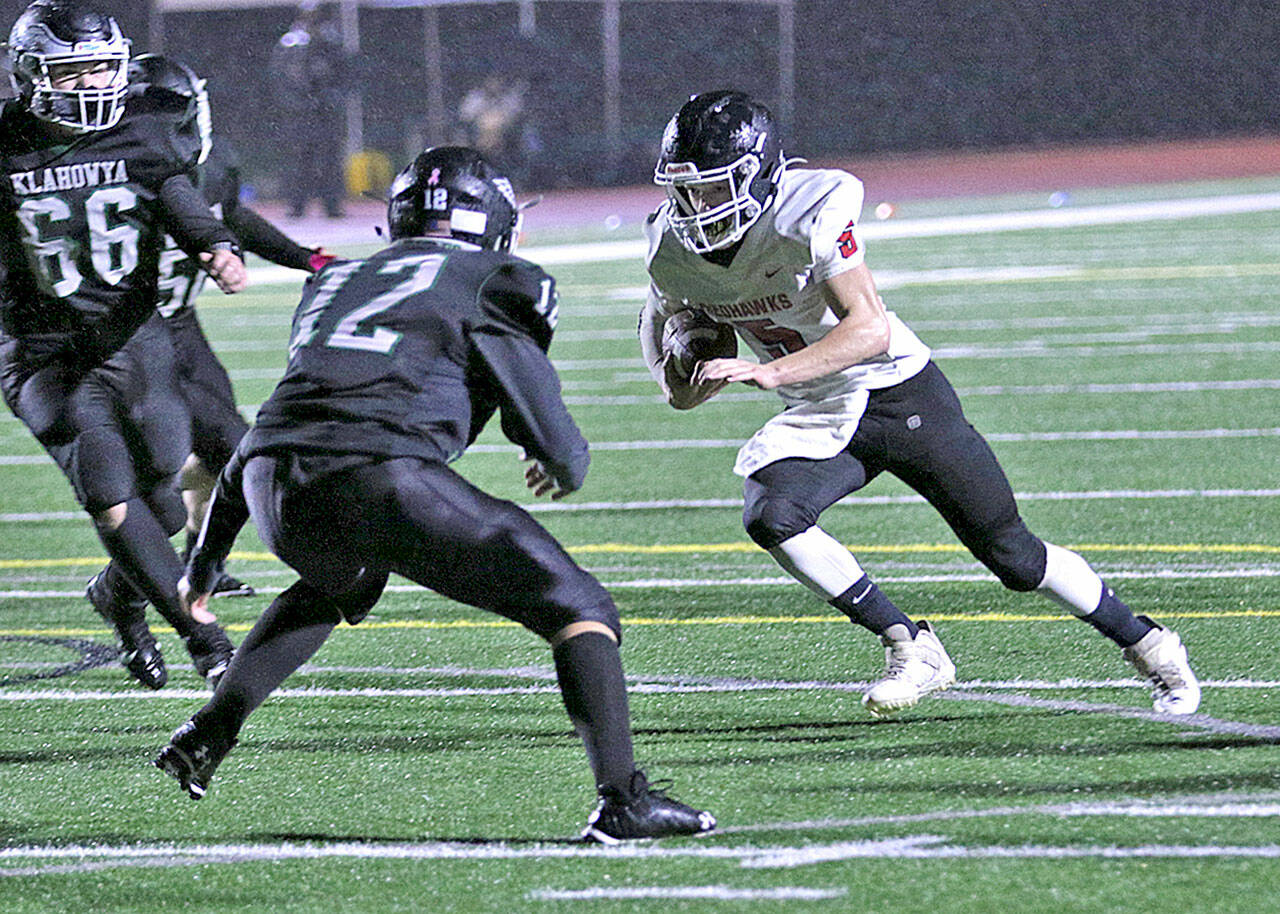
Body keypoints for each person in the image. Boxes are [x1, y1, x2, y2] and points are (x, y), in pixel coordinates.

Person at [154, 146, 716, 844]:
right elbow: (554, 436)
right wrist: (556, 458)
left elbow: (275, 428)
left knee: (343, 577)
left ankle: (209, 731)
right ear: (493, 223)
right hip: (377, 470)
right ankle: (623, 798)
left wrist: (205, 561)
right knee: (579, 605)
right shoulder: (499, 277)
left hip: (271, 480)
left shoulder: (338, 278)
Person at [638, 90, 1201, 717]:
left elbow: (870, 330)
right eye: (686, 191)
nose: (698, 207)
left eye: (714, 189)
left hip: (899, 391)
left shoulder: (810, 208)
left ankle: (1149, 643)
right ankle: (910, 642)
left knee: (1014, 557)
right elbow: (666, 351)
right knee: (773, 515)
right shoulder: (671, 249)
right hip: (824, 411)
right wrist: (681, 375)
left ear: (759, 174)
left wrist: (773, 372)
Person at [0, 0, 244, 690]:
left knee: (162, 502)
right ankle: (208, 641)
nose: (92, 87)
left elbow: (172, 191)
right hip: (42, 354)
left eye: (102, 69)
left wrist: (215, 244)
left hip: (136, 340)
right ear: (31, 74)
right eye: (72, 73)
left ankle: (118, 595)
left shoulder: (142, 126)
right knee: (110, 495)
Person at [129, 53, 336, 601]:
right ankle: (129, 582)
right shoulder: (118, 173)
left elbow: (233, 218)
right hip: (129, 337)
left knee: (223, 455)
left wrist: (305, 258)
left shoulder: (212, 168)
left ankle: (198, 567)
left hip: (181, 328)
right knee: (188, 473)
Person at [268, 1, 351, 218]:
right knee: (299, 160)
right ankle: (297, 205)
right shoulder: (291, 43)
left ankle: (332, 205)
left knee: (330, 159)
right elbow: (280, 78)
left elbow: (344, 74)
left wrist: (331, 98)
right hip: (300, 113)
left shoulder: (330, 41)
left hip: (324, 112)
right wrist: (295, 104)